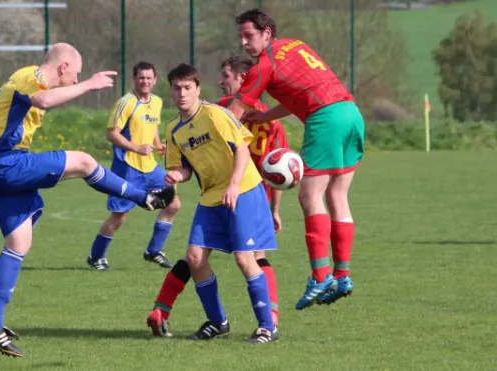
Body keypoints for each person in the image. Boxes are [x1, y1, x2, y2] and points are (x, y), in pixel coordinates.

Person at [0, 43, 176, 358]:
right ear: (64, 66)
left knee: (19, 241)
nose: (77, 77)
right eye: (77, 72)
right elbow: (42, 98)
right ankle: (144, 198)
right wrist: (89, 84)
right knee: (83, 161)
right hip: (4, 163)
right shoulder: (32, 76)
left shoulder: (29, 79)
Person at [228, 8, 365, 310]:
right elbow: (297, 96)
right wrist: (266, 115)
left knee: (308, 195)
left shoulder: (263, 66)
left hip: (325, 118)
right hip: (350, 112)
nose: (243, 42)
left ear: (267, 33)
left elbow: (233, 115)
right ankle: (342, 276)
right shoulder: (296, 45)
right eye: (240, 36)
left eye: (248, 35)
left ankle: (320, 276)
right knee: (337, 196)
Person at [145, 56, 288, 335]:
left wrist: (234, 184)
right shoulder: (174, 129)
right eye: (176, 88)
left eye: (187, 87)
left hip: (243, 189)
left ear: (198, 88)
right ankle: (219, 322)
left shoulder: (216, 115)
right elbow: (182, 168)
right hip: (211, 196)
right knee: (195, 258)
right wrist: (176, 175)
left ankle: (266, 327)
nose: (182, 93)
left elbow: (243, 150)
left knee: (245, 259)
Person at [86, 61, 180, 271]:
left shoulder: (156, 101)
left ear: (155, 80)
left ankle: (153, 251)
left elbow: (153, 125)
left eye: (149, 78)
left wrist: (158, 144)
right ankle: (96, 257)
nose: (145, 81)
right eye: (141, 78)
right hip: (127, 168)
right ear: (133, 79)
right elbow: (111, 134)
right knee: (119, 217)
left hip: (150, 167)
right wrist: (137, 148)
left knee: (172, 204)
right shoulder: (126, 102)